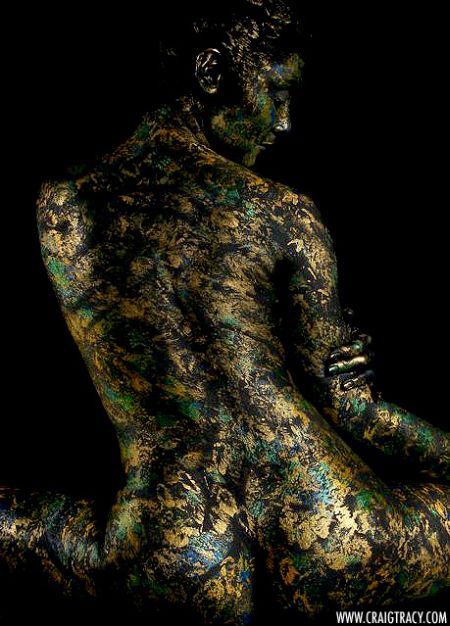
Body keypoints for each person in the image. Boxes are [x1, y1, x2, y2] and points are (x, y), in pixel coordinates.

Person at [1, 1, 448, 623]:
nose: (285, 122)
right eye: (276, 92)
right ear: (210, 71)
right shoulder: (283, 213)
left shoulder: (60, 208)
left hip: (180, 538)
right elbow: (351, 407)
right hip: (326, 520)